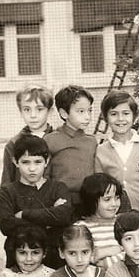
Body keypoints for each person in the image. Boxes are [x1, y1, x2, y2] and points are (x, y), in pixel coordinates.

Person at [0, 134, 72, 269]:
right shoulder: (7, 191)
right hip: (19, 265)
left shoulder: (58, 188)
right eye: (25, 162)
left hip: (53, 262)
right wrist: (49, 220)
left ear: (47, 161)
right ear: (15, 162)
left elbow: (64, 216)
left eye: (38, 162)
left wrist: (24, 214)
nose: (32, 168)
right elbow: (6, 225)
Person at [94, 90, 139, 213]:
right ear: (106, 117)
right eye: (114, 114)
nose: (120, 119)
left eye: (126, 113)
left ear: (134, 116)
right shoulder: (101, 151)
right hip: (117, 215)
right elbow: (100, 188)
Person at [44, 84, 98, 217]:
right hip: (61, 202)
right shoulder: (50, 140)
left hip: (89, 202)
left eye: (89, 111)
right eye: (81, 111)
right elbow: (44, 176)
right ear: (64, 113)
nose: (87, 116)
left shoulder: (92, 141)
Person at [1, 85, 55, 185]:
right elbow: (6, 182)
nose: (33, 115)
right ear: (20, 112)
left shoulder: (58, 140)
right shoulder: (13, 144)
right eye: (27, 109)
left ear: (50, 111)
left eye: (39, 109)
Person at [73, 173, 125, 268]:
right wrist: (120, 250)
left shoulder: (126, 222)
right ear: (91, 201)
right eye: (107, 199)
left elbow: (137, 254)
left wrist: (104, 256)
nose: (114, 204)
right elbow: (81, 257)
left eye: (117, 198)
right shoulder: (81, 228)